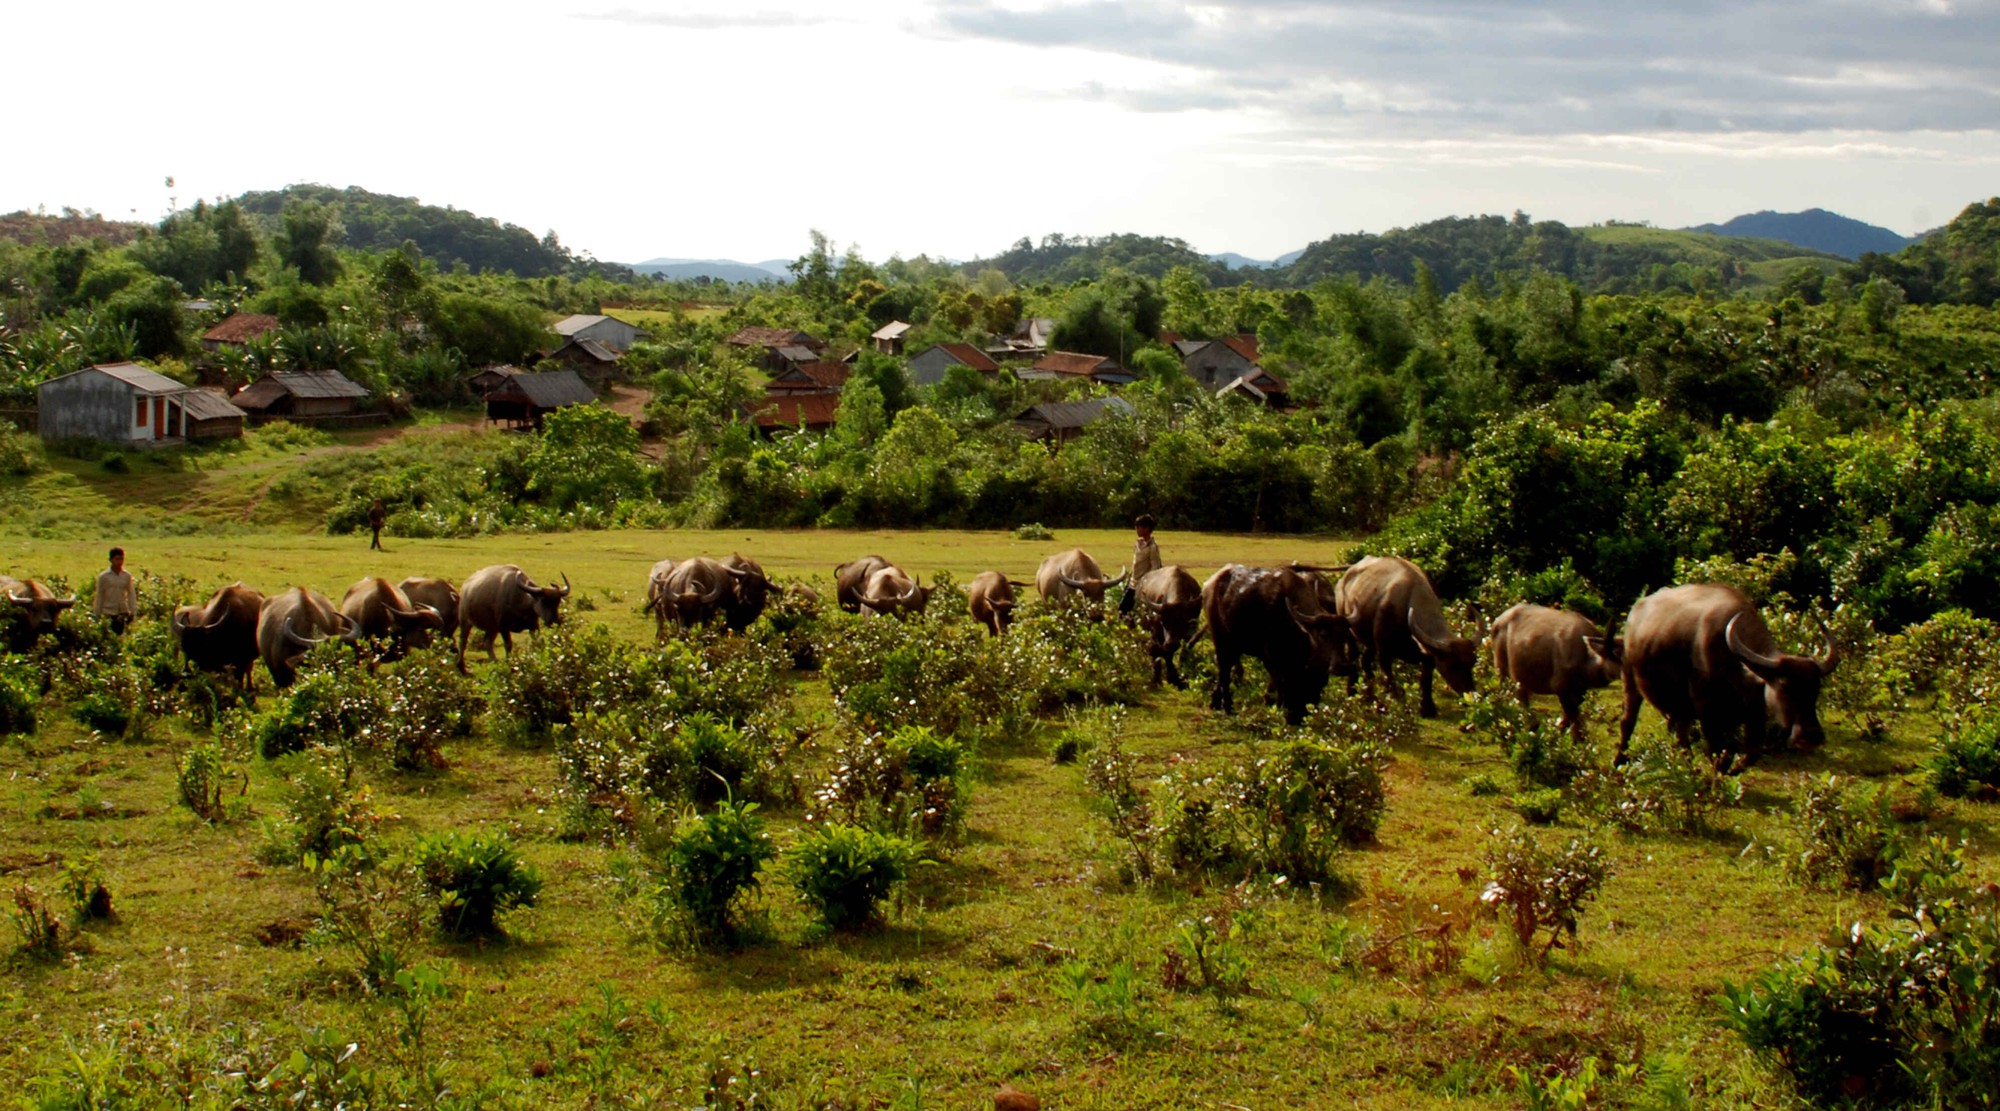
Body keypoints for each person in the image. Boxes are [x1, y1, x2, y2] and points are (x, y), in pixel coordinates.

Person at [1121, 514, 1162, 615]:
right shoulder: (1137, 544)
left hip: (1144, 586)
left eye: (1139, 528)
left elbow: (1155, 568)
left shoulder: (1152, 547)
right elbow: (1135, 564)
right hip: (1133, 584)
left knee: (1141, 613)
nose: (1137, 530)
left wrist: (1149, 585)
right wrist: (1128, 581)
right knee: (1122, 611)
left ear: (1147, 529)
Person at [94, 547, 137, 635]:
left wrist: (132, 612)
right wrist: (97, 614)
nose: (120, 562)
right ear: (111, 560)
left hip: (123, 612)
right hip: (108, 613)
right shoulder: (104, 577)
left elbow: (131, 595)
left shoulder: (126, 576)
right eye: (117, 559)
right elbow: (100, 595)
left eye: (121, 559)